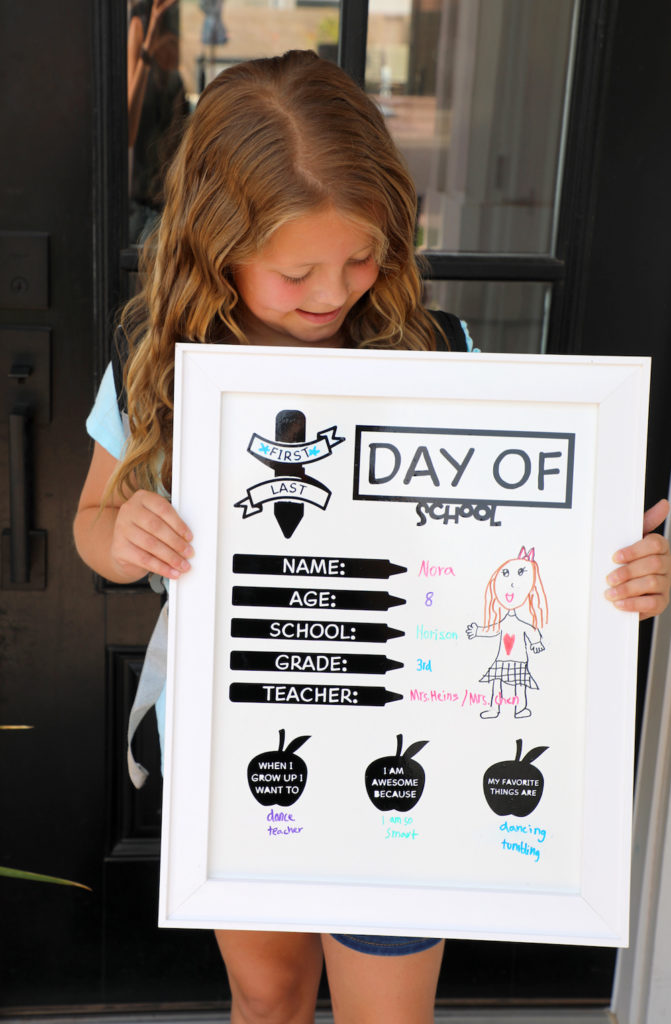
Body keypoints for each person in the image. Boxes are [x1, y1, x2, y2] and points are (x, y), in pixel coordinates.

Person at [73, 50, 671, 1024]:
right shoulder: (156, 364)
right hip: (237, 737)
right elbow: (91, 525)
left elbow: (520, 543)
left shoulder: (439, 352)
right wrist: (124, 531)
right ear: (214, 247)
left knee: (385, 1013)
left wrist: (618, 568)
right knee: (265, 997)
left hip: (411, 751)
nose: (331, 291)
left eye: (359, 258)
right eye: (295, 270)